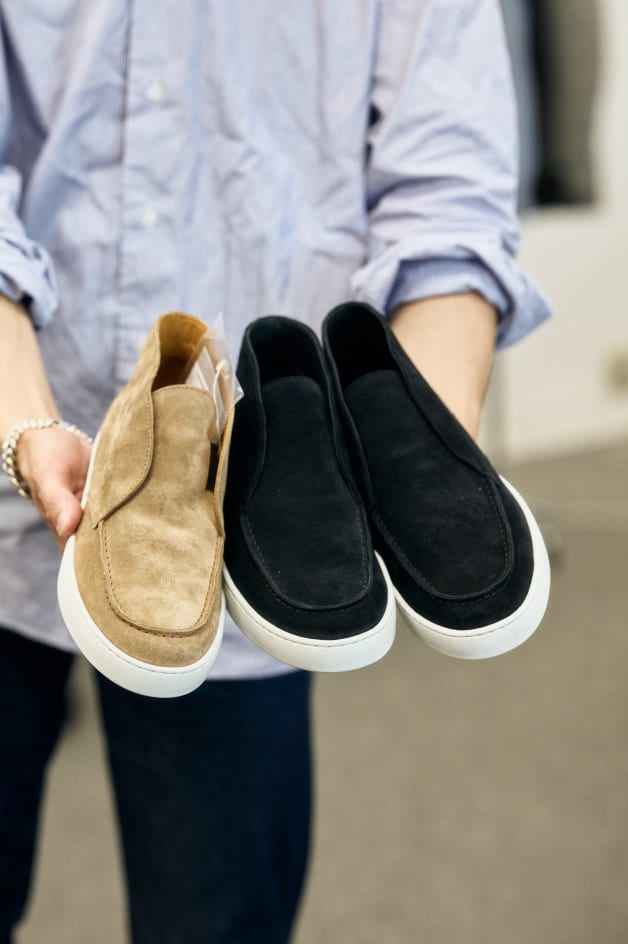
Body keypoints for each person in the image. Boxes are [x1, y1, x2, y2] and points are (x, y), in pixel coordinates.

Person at [0, 1, 551, 942]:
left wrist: (418, 434)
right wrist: (20, 420)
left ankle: (377, 424)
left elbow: (447, 191)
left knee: (216, 919)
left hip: (271, 508)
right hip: (27, 386)